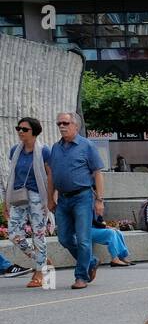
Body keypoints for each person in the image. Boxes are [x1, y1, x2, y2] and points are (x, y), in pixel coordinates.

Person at [48, 111, 105, 290]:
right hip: (63, 200)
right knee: (64, 238)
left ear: (76, 126)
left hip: (82, 197)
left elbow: (97, 173)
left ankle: (81, 276)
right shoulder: (55, 148)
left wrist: (99, 200)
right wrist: (50, 198)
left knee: (83, 239)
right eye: (59, 124)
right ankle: (91, 261)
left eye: (65, 123)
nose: (62, 126)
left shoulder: (87, 145)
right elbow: (52, 176)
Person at [5, 115, 53, 288]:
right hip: (18, 195)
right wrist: (6, 201)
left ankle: (40, 272)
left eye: (25, 129)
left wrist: (50, 199)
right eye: (18, 129)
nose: (20, 132)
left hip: (37, 196)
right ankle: (41, 259)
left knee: (38, 234)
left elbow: (49, 175)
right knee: (13, 233)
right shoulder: (14, 151)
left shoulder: (44, 151)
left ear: (35, 132)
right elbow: (12, 176)